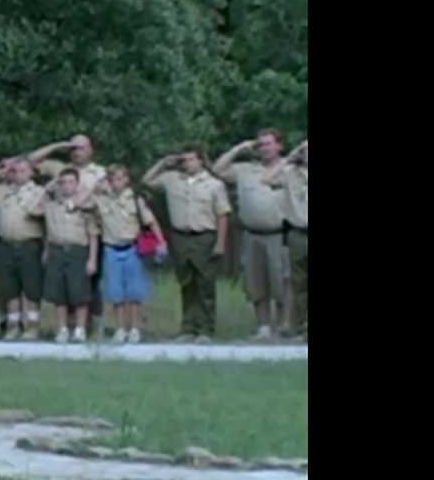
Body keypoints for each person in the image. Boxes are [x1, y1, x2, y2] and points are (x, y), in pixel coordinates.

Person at [143, 146, 231, 342]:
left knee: (205, 284)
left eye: (190, 159)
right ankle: (188, 328)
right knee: (186, 283)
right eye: (183, 160)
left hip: (204, 237)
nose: (186, 163)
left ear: (200, 160)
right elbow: (146, 181)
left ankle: (206, 329)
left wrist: (220, 243)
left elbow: (223, 215)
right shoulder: (172, 179)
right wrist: (163, 163)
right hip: (180, 237)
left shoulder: (214, 184)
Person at [27, 135, 109, 334]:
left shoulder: (99, 172)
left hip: (93, 231)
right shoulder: (58, 169)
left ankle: (92, 326)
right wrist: (60, 145)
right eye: (73, 148)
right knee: (63, 284)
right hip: (61, 229)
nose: (76, 151)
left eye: (81, 147)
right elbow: (31, 161)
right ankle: (69, 325)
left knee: (90, 282)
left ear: (91, 150)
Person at [213, 128, 291, 340]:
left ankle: (283, 326)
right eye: (260, 144)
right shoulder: (245, 169)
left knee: (282, 281)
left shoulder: (289, 168)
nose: (264, 148)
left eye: (268, 143)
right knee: (256, 283)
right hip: (251, 234)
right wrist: (240, 148)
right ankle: (263, 327)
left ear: (279, 146)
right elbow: (217, 169)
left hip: (280, 234)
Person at [88, 165, 166, 344]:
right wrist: (96, 187)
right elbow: (83, 205)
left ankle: (135, 328)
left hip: (132, 249)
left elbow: (151, 221)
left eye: (120, 178)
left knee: (135, 293)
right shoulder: (100, 200)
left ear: (126, 180)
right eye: (112, 179)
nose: (116, 182)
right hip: (111, 250)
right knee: (116, 293)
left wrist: (161, 242)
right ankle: (120, 328)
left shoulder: (135, 199)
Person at [0, 157, 48, 340]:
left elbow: (40, 214)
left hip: (29, 244)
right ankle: (13, 327)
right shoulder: (2, 191)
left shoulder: (39, 192)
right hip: (6, 245)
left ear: (31, 172)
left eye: (23, 170)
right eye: (15, 171)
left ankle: (32, 327)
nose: (18, 174)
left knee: (31, 288)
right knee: (9, 288)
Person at [31, 169, 99, 342]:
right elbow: (33, 210)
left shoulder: (85, 206)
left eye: (71, 182)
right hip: (57, 250)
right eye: (63, 182)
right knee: (58, 293)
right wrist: (48, 188)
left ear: (77, 185)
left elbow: (93, 234)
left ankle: (80, 329)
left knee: (79, 292)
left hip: (77, 250)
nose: (67, 185)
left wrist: (92, 259)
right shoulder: (51, 205)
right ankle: (62, 328)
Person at [264, 140, 307, 340]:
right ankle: (300, 326)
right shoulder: (290, 172)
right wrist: (291, 156)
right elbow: (267, 179)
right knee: (299, 283)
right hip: (298, 232)